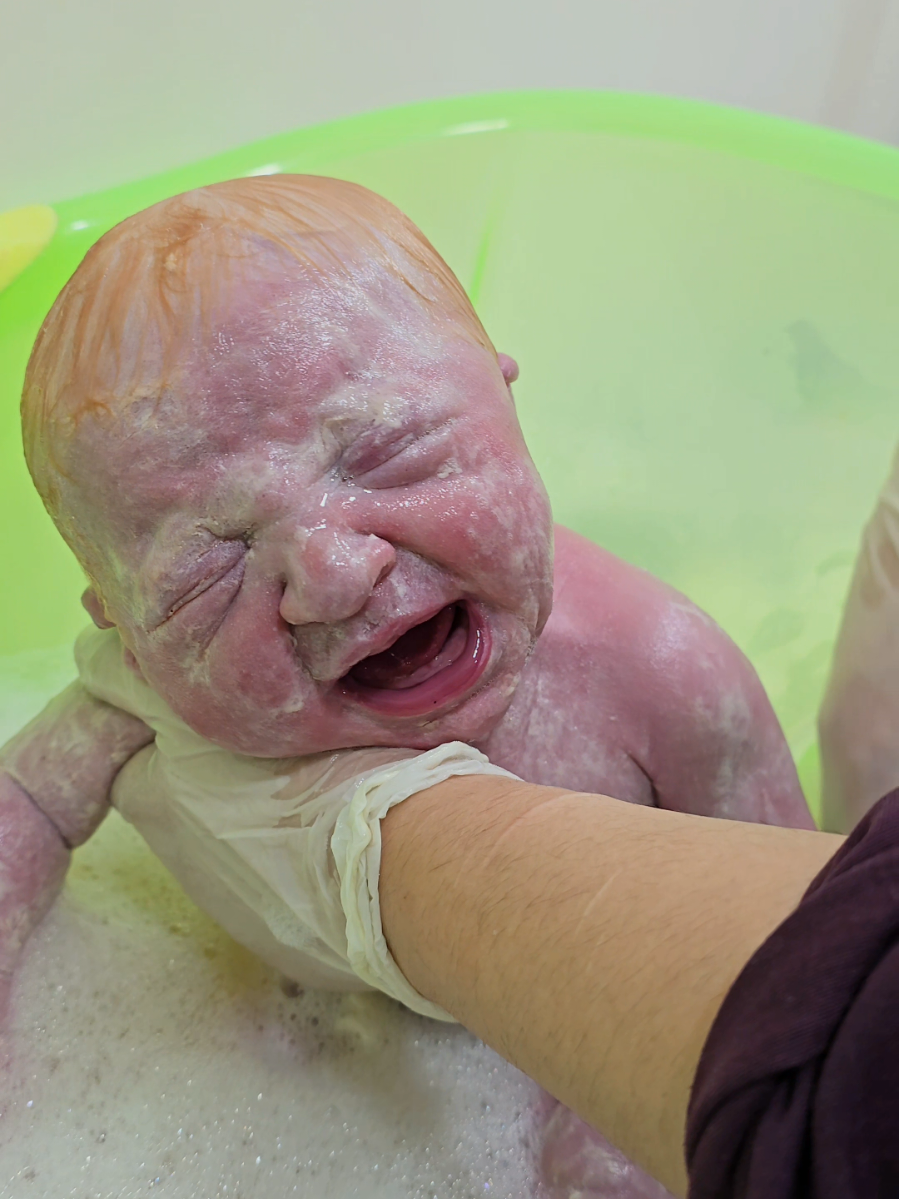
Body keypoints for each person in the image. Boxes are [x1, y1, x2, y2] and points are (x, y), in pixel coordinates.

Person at [1, 174, 813, 1196]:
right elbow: (22, 801)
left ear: (507, 394)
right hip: (267, 1045)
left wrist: (615, 1098)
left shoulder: (659, 671)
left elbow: (793, 937)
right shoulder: (146, 698)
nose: (333, 575)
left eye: (393, 454)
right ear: (116, 619)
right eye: (207, 566)